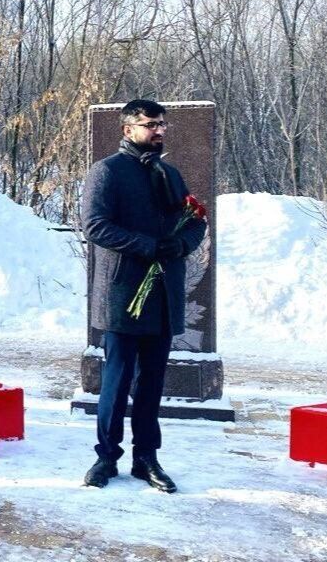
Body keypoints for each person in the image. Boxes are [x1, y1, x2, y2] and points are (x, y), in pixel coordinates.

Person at [80, 100, 206, 493]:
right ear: (128, 129)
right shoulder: (107, 172)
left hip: (163, 293)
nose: (159, 130)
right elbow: (95, 226)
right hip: (122, 293)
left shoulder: (170, 173)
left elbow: (195, 223)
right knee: (116, 382)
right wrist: (148, 246)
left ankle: (146, 458)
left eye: (162, 124)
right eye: (151, 124)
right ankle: (106, 457)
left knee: (152, 383)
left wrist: (180, 245)